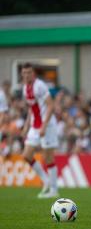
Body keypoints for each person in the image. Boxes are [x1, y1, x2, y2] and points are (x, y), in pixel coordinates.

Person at [21, 63, 59, 198]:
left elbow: (51, 105)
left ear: (33, 74)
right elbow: (32, 108)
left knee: (48, 157)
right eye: (24, 73)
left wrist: (44, 125)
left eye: (29, 72)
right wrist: (26, 126)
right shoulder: (25, 88)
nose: (26, 75)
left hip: (47, 125)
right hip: (34, 126)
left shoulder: (40, 86)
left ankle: (54, 190)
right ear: (22, 74)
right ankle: (46, 180)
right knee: (26, 155)